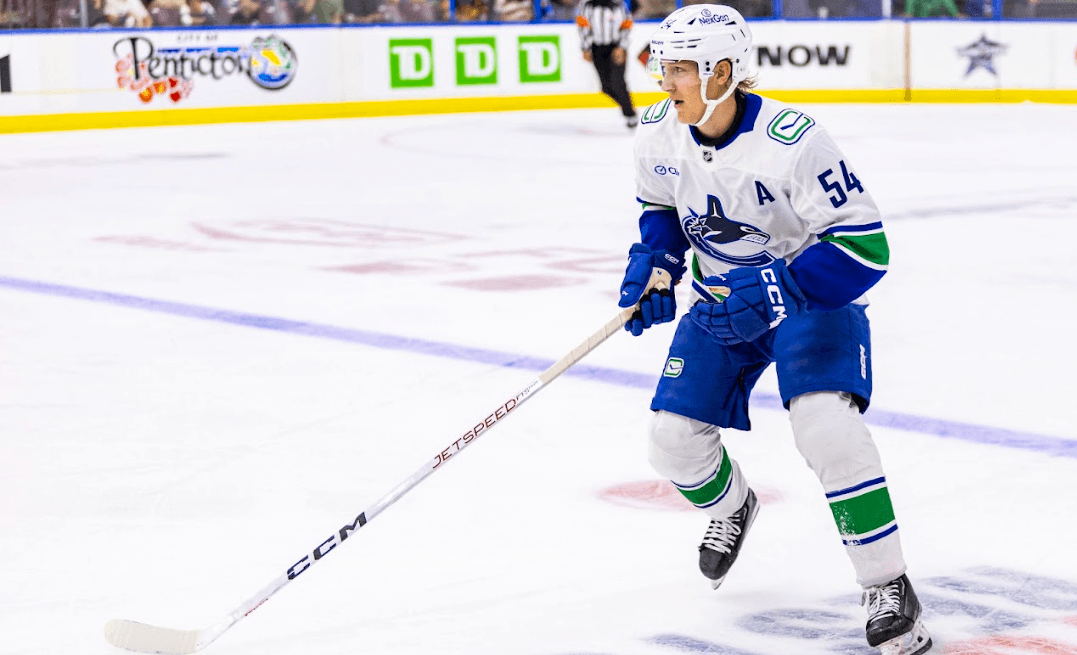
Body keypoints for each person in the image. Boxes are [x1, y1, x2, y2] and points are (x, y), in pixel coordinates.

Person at [616, 5, 932, 655]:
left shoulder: (794, 140)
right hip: (721, 302)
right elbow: (660, 209)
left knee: (827, 427)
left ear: (723, 71)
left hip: (807, 298)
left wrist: (782, 287)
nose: (663, 81)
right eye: (663, 67)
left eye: (679, 69)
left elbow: (865, 248)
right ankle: (732, 505)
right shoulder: (656, 132)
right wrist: (656, 265)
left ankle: (886, 584)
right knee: (670, 442)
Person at [576, 0, 638, 128]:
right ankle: (629, 109)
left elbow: (627, 24)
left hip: (616, 47)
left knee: (618, 82)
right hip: (597, 49)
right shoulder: (587, 4)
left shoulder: (619, 4)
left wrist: (621, 47)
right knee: (606, 87)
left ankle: (630, 114)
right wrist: (586, 48)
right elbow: (582, 26)